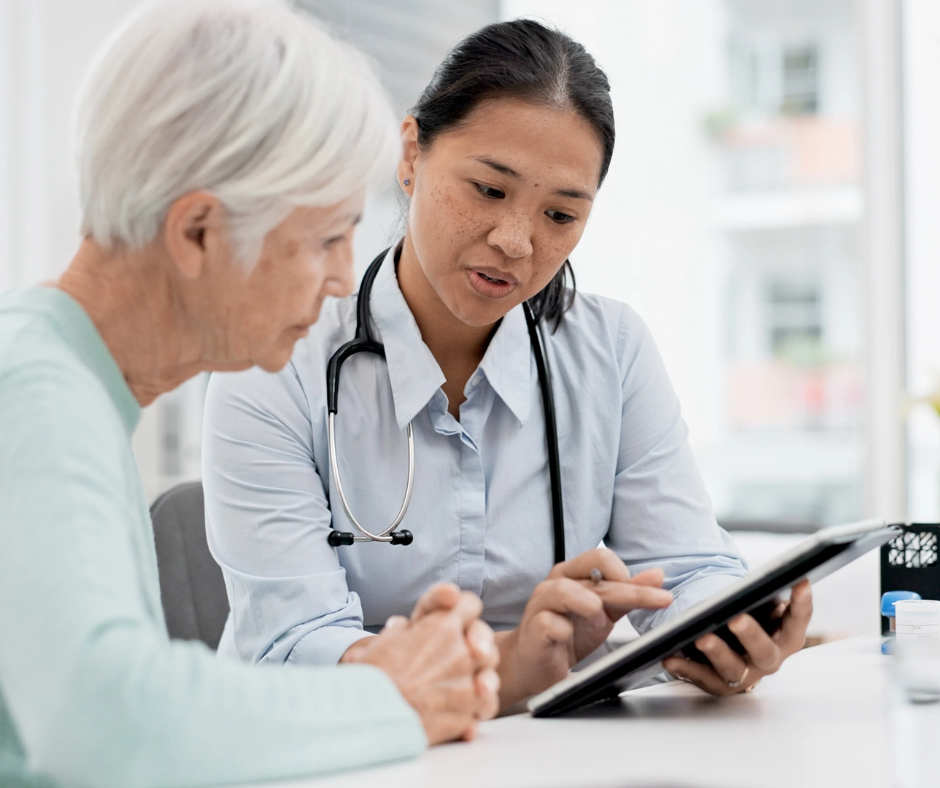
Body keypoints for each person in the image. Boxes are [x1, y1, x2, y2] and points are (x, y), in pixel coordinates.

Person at [203, 19, 813, 711]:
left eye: (560, 215)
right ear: (411, 155)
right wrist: (510, 664)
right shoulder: (276, 362)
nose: (516, 242)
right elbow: (292, 649)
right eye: (489, 191)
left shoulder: (610, 349)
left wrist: (723, 627)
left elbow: (688, 568)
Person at [0, 3, 501, 787]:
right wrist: (395, 696)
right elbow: (105, 720)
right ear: (198, 231)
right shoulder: (35, 396)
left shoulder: (63, 386)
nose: (345, 277)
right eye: (325, 238)